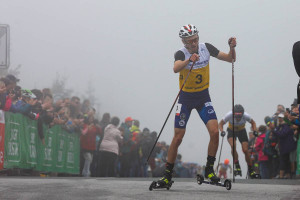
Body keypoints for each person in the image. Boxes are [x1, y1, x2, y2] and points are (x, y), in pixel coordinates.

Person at [155, 24, 236, 186]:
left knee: (214, 132)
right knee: (178, 138)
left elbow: (230, 58)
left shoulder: (206, 48)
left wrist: (231, 48)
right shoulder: (181, 53)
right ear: (184, 42)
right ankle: (166, 176)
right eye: (190, 41)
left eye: (195, 40)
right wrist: (188, 60)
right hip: (185, 99)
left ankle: (209, 169)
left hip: (203, 97)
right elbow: (175, 68)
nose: (193, 44)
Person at [219, 104, 259, 178]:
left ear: (242, 114)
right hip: (231, 130)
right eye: (236, 116)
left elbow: (253, 123)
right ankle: (237, 165)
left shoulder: (246, 115)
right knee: (233, 146)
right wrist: (222, 131)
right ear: (233, 114)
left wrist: (255, 130)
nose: (237, 118)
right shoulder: (229, 115)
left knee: (245, 150)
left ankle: (251, 169)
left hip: (241, 131)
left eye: (239, 117)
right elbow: (220, 124)